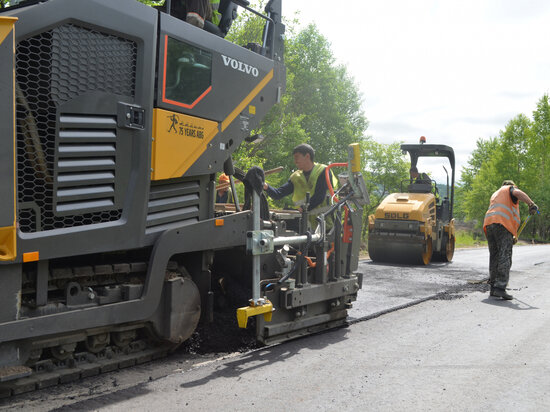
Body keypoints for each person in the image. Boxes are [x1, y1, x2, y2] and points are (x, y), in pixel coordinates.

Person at [483, 180, 538, 300]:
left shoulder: (496, 193)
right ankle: (500, 287)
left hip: (489, 224)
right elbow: (518, 193)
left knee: (495, 256)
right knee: (505, 255)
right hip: (501, 224)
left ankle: (493, 287)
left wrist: (511, 236)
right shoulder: (510, 189)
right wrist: (531, 204)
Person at [263, 144, 336, 228]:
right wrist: (265, 186)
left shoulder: (323, 171)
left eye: (297, 157)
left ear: (307, 156)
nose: (295, 161)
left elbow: (319, 197)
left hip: (324, 224)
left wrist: (300, 210)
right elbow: (278, 194)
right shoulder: (296, 177)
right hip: (305, 225)